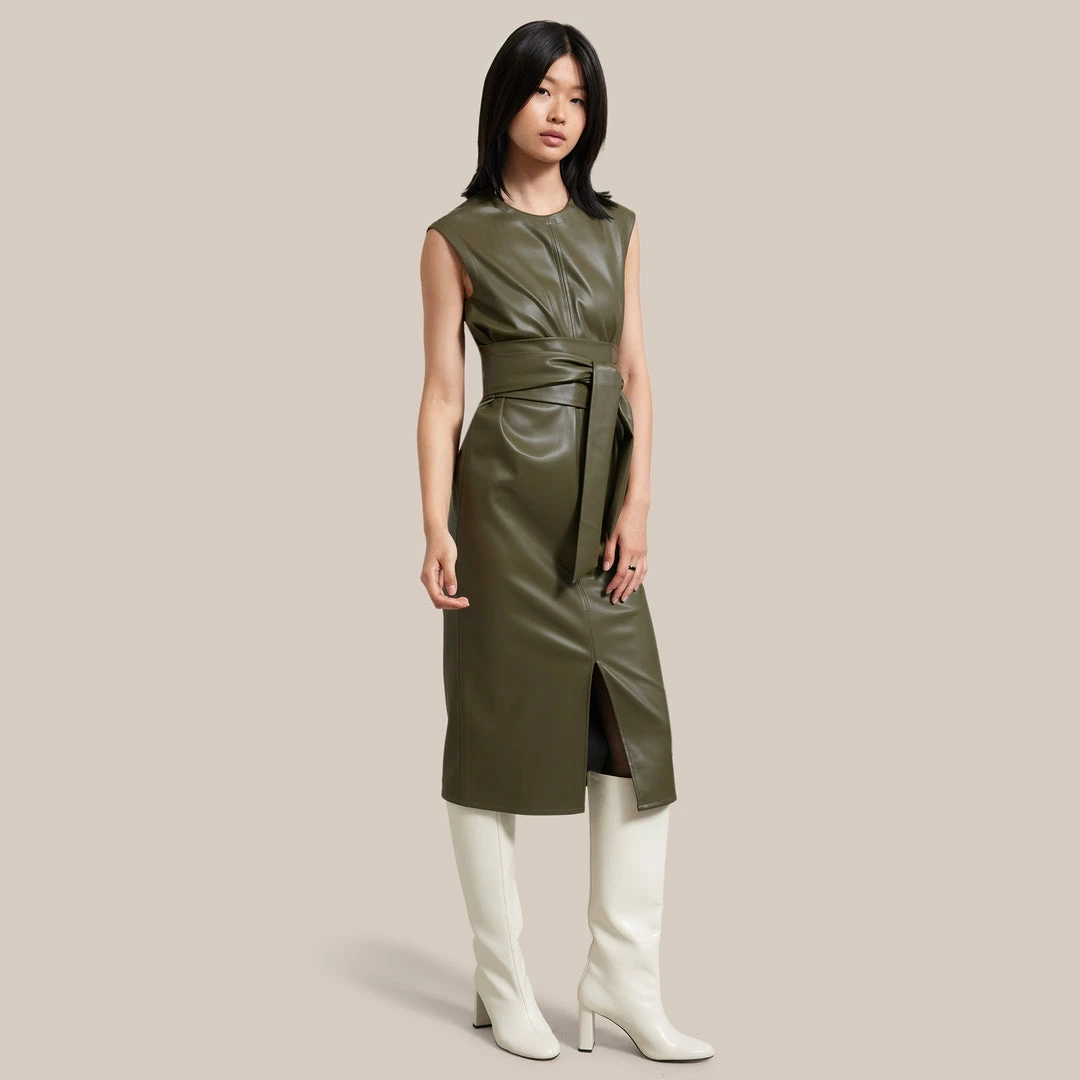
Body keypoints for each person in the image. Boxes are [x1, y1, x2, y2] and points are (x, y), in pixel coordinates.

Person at [417, 20, 714, 1063]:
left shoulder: (616, 227)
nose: (560, 113)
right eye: (543, 91)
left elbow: (635, 373)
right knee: (492, 736)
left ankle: (622, 979)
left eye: (578, 97)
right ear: (504, 99)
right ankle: (503, 984)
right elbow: (442, 394)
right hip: (503, 504)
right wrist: (433, 526)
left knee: (639, 742)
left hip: (602, 505)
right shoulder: (453, 237)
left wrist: (642, 502)